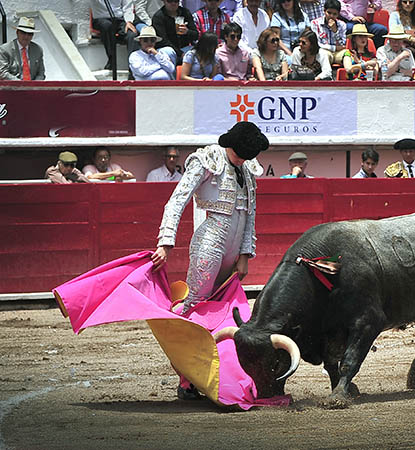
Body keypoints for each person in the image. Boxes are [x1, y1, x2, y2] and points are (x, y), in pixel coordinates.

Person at [150, 121, 267, 400]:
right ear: (230, 146)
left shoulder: (246, 169)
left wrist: (245, 255)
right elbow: (177, 200)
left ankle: (217, 372)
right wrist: (165, 242)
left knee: (224, 311)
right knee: (195, 308)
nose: (243, 161)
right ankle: (186, 380)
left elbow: (249, 214)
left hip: (232, 251)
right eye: (240, 155)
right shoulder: (207, 159)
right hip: (209, 244)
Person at [91, 0, 137, 70]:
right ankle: (112, 60)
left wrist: (129, 21)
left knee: (131, 34)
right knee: (107, 26)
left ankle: (133, 68)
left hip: (119, 19)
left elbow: (127, 7)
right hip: (101, 18)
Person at [153, 0, 198, 66]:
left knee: (198, 52)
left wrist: (187, 32)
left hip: (185, 48)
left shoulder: (185, 12)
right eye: (170, 1)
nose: (173, 3)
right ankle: (173, 72)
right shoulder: (158, 17)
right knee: (169, 52)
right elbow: (162, 41)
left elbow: (196, 35)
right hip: (168, 49)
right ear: (164, 1)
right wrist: (180, 53)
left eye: (176, 1)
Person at [0, 17, 45, 81]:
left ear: (33, 35)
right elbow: (2, 72)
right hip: (12, 85)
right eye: (23, 33)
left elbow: (41, 73)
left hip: (32, 85)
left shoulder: (37, 50)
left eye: (29, 34)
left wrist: (34, 84)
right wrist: (20, 84)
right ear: (17, 32)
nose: (26, 36)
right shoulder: (5, 49)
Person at [310, 0, 347, 65]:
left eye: (334, 14)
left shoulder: (342, 25)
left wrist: (335, 31)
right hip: (325, 51)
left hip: (338, 52)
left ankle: (349, 69)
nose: (331, 16)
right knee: (323, 54)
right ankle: (327, 71)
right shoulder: (315, 23)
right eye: (329, 13)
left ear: (338, 14)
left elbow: (342, 45)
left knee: (347, 53)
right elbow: (317, 44)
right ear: (324, 11)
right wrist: (334, 48)